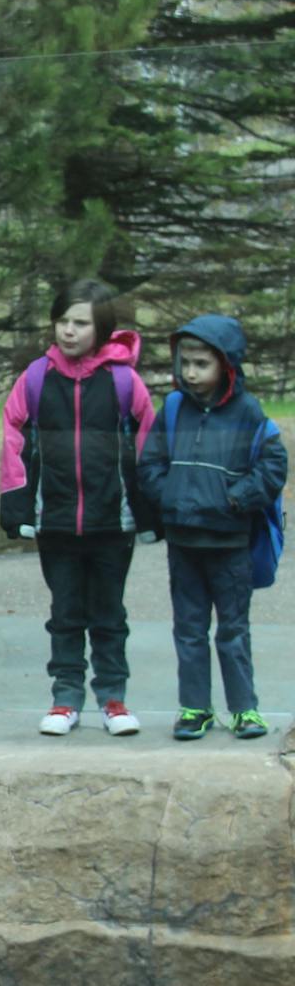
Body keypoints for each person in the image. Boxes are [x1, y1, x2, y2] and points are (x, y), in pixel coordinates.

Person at [0, 280, 157, 736]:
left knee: (109, 614)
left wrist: (149, 512)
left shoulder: (125, 381)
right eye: (63, 320)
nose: (69, 330)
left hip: (113, 523)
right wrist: (18, 506)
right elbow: (14, 439)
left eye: (80, 322)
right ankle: (65, 698)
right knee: (66, 613)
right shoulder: (34, 378)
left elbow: (146, 446)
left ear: (101, 327)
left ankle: (113, 698)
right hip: (57, 523)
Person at [136, 314, 285, 739]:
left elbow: (273, 464)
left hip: (230, 542)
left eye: (202, 363)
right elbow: (150, 463)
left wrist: (236, 499)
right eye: (185, 362)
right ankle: (194, 708)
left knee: (233, 629)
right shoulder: (174, 408)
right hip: (184, 541)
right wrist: (169, 496)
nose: (190, 372)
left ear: (225, 365)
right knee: (189, 628)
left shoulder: (247, 411)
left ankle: (245, 709)